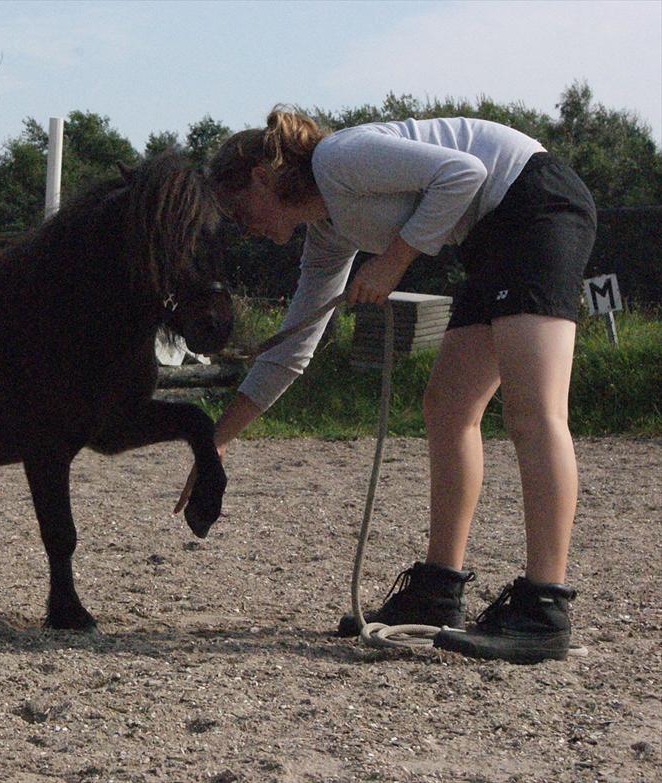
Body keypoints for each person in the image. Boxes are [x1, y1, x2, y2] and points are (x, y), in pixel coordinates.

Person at [181, 107, 596, 663]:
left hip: (537, 204)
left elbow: (464, 173)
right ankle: (437, 592)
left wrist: (392, 264)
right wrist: (217, 442)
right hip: (493, 233)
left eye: (237, 208)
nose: (241, 223)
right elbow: (291, 349)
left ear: (261, 176)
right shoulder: (327, 233)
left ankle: (544, 609)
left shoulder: (339, 157)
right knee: (448, 408)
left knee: (534, 412)